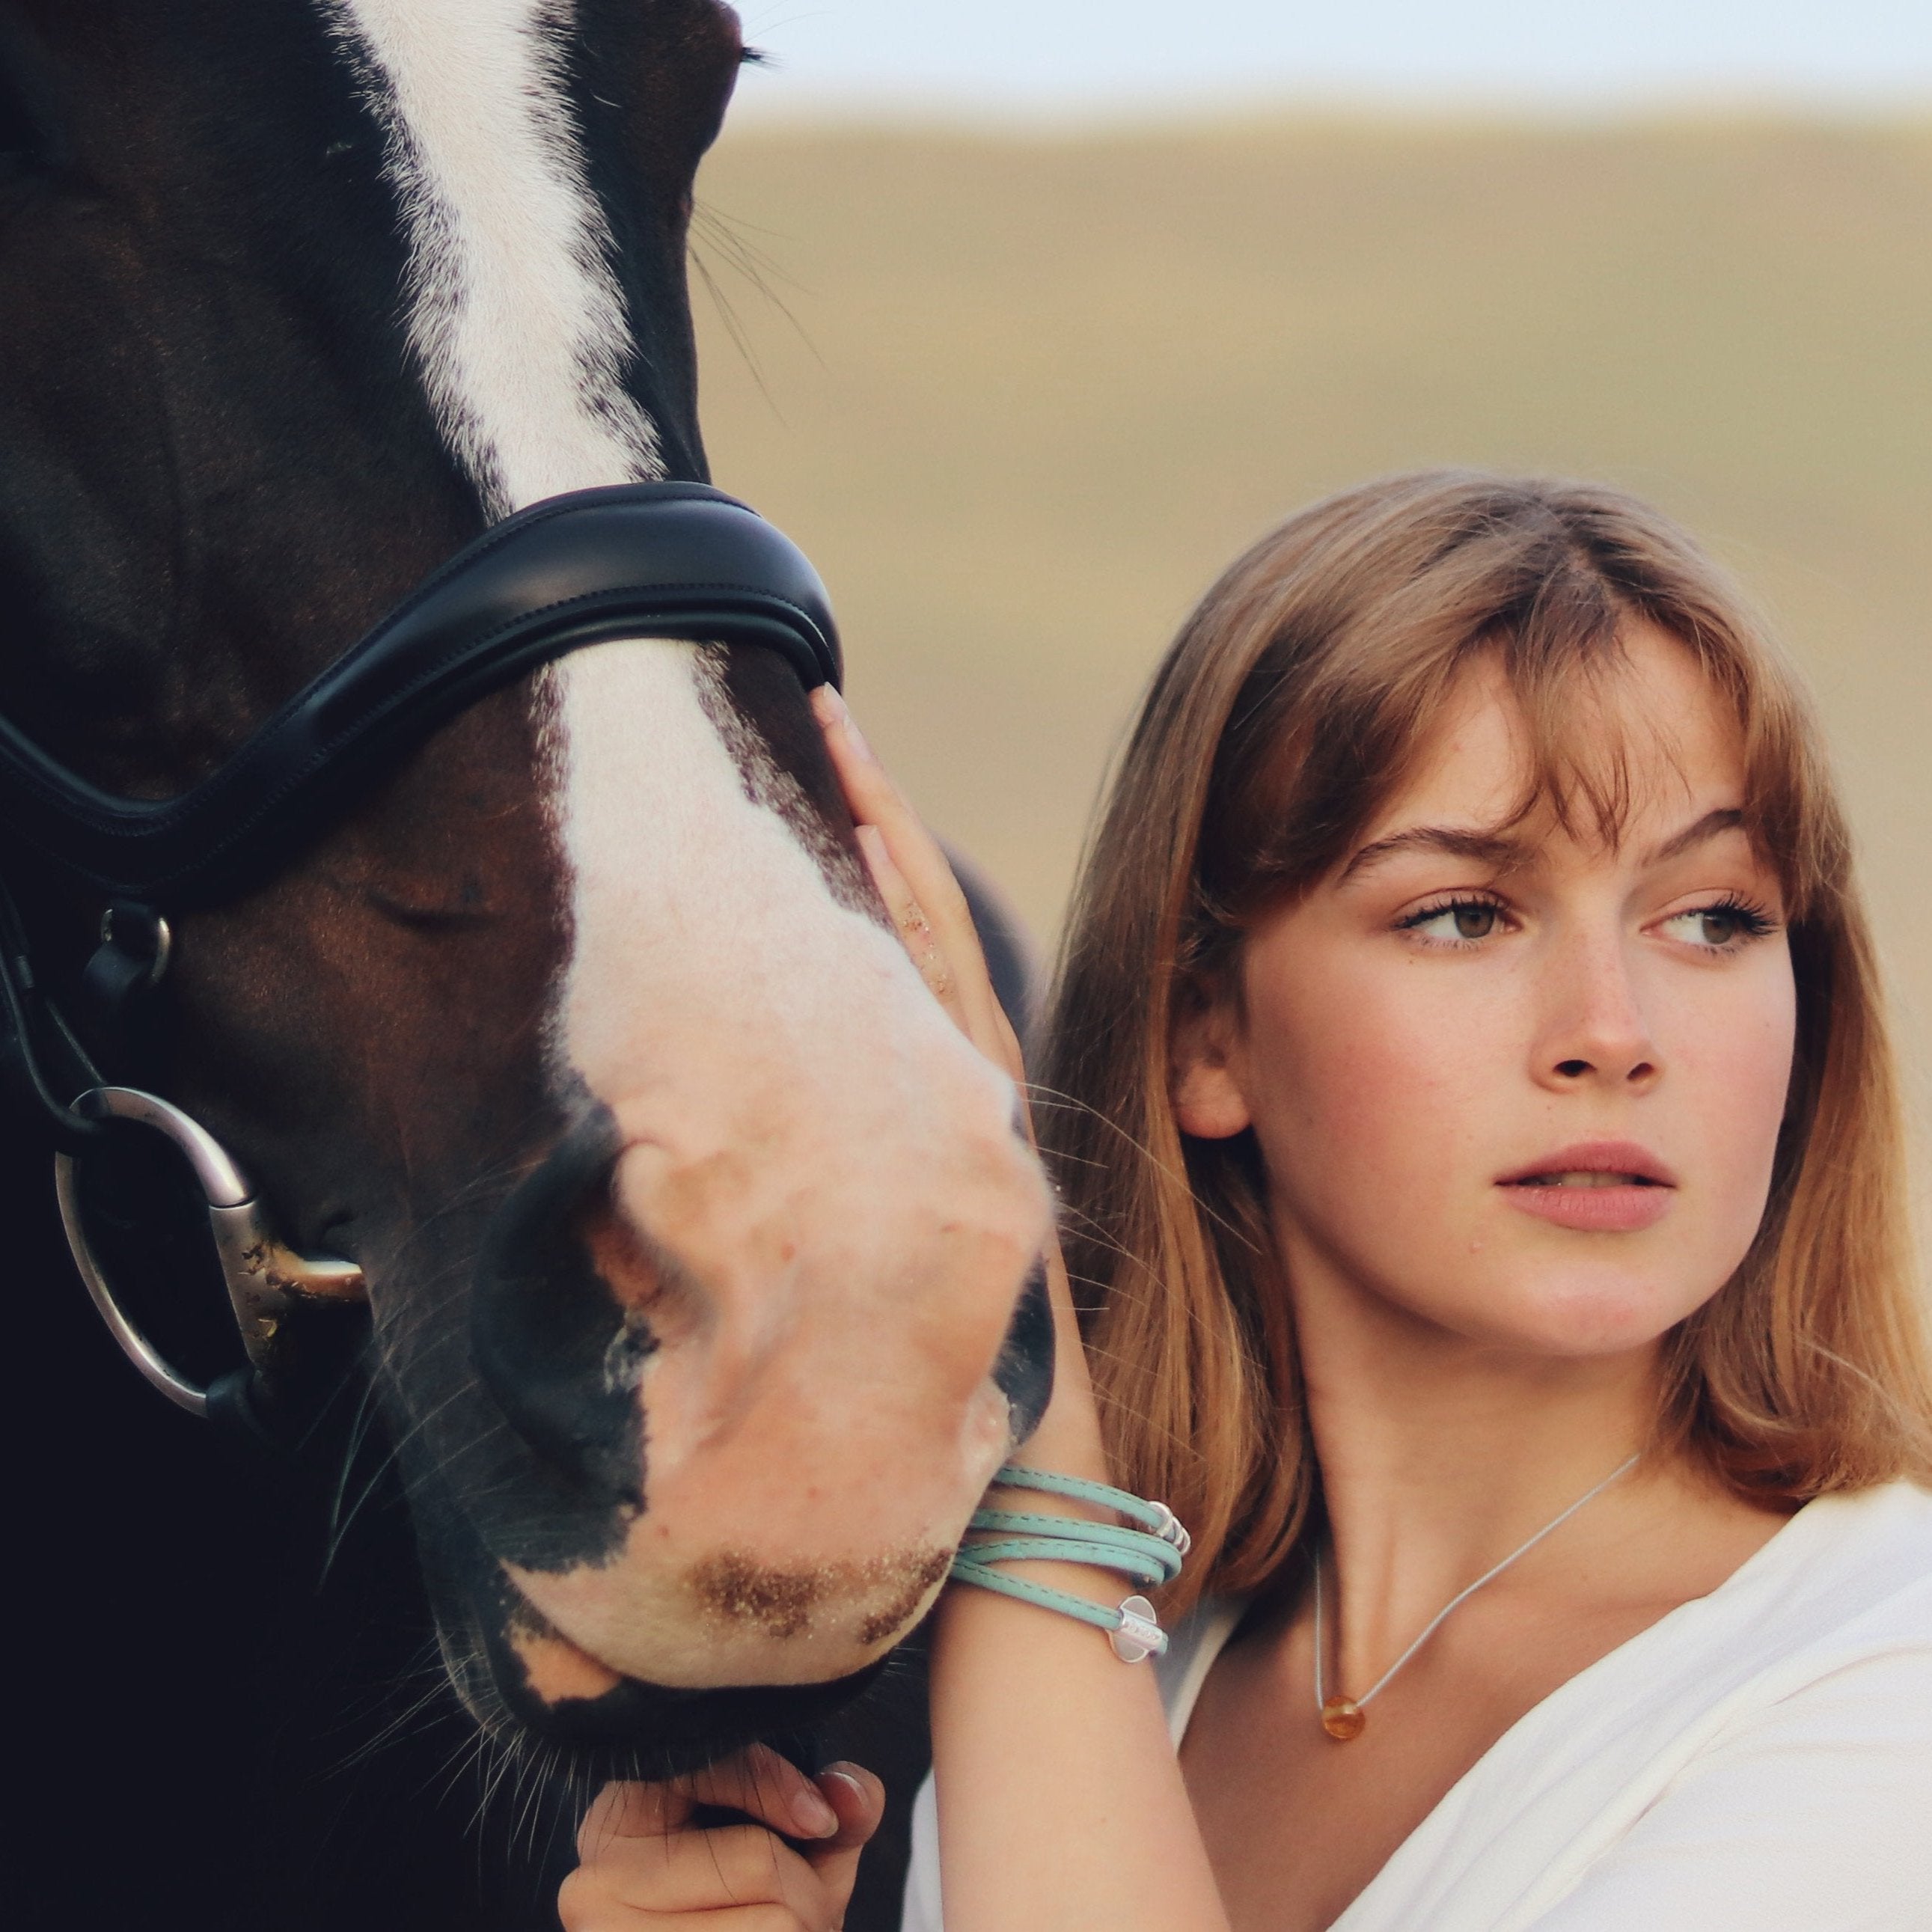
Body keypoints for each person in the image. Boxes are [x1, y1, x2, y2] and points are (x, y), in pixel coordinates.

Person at [558, 472, 1932, 1932]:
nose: (1613, 1026)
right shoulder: (1119, 1655)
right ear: (1204, 1031)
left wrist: (1018, 1391)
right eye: (1464, 912)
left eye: (1713, 915)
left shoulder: (1880, 1685)